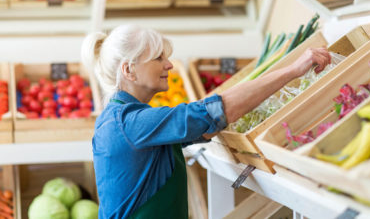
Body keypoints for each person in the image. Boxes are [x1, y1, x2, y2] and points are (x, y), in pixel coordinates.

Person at [81, 25, 331, 219]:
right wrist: (292, 71)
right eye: (158, 58)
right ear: (129, 70)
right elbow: (213, 112)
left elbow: (204, 126)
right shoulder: (128, 123)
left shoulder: (124, 118)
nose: (169, 64)